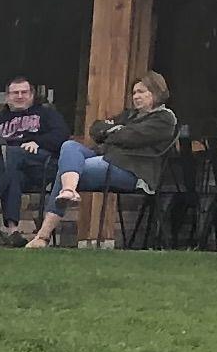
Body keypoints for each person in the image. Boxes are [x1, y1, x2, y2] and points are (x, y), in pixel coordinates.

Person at [59, 73, 180, 239]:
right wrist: (116, 131)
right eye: (134, 92)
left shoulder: (165, 118)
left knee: (67, 170)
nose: (136, 96)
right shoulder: (129, 115)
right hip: (108, 160)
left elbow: (130, 138)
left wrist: (113, 131)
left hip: (132, 172)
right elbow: (96, 128)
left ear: (156, 92)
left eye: (141, 92)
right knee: (70, 147)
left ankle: (43, 234)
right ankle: (68, 190)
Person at [0, 77, 67, 241]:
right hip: (13, 169)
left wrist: (38, 142)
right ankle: (13, 232)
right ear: (7, 97)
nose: (20, 96)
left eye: (24, 92)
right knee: (13, 174)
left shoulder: (46, 114)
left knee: (13, 152)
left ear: (32, 95)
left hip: (41, 166)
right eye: (15, 93)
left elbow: (62, 137)